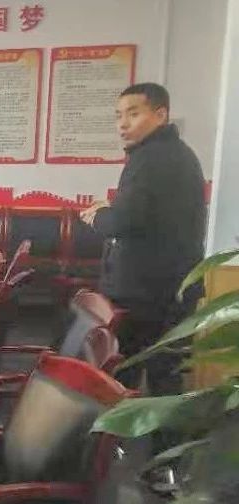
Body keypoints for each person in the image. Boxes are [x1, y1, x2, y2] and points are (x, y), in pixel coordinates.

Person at [80, 82, 206, 395]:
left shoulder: (152, 159)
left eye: (133, 114)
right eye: (118, 115)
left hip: (150, 294)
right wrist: (111, 210)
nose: (123, 124)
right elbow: (146, 214)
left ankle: (130, 427)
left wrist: (99, 215)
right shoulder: (168, 154)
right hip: (162, 288)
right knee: (161, 374)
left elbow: (124, 221)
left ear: (160, 115)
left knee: (134, 375)